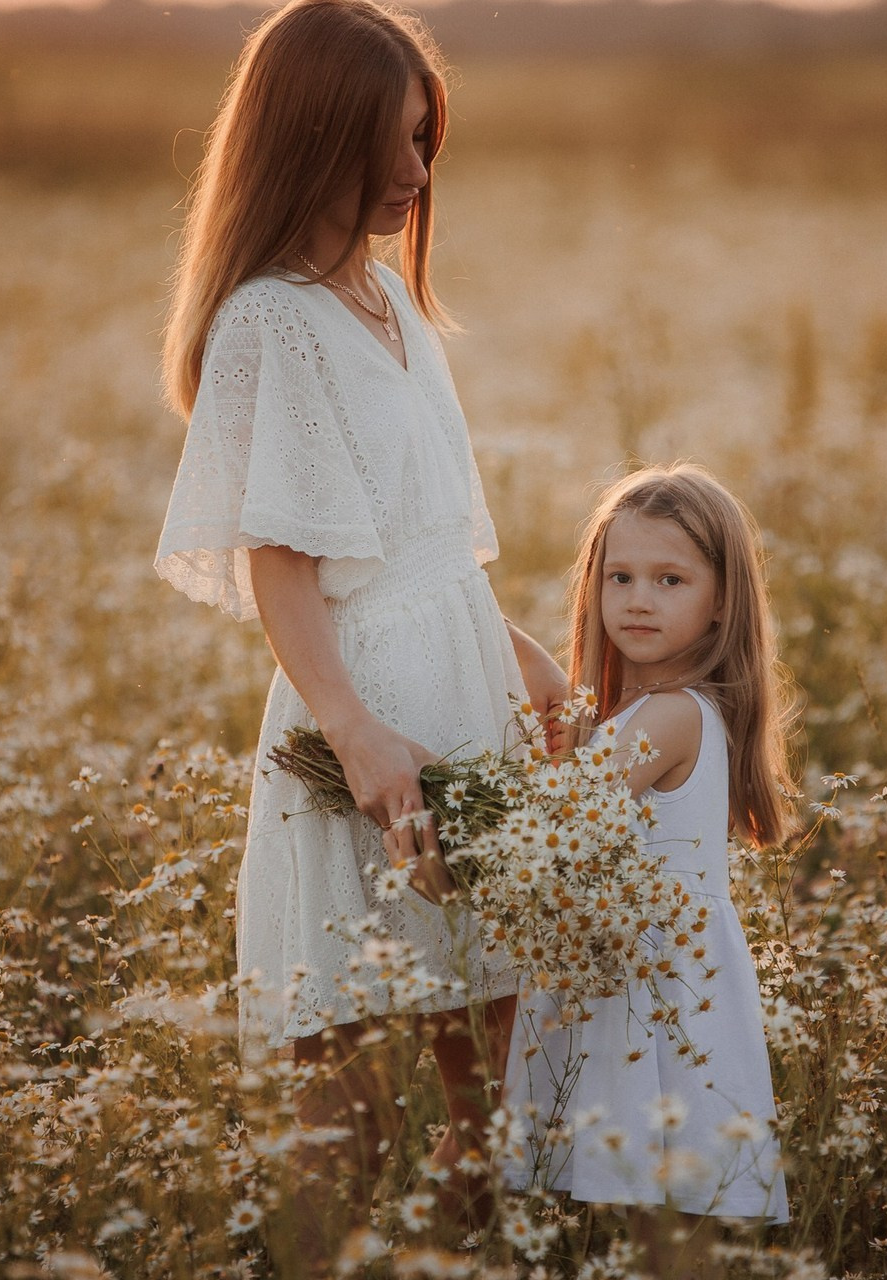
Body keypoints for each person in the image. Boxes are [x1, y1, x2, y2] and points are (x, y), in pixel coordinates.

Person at [153, 0, 565, 1262]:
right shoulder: (271, 318)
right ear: (306, 135)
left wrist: (524, 656)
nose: (415, 172)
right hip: (364, 723)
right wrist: (359, 732)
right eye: (389, 142)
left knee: (490, 1078)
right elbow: (282, 561)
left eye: (426, 141)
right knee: (341, 1088)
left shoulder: (390, 304)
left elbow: (419, 537)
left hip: (462, 689)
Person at [502, 462, 793, 1274]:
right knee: (651, 1229)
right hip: (641, 978)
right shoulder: (645, 714)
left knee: (669, 1236)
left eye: (670, 579)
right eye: (619, 577)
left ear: (722, 600)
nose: (637, 599)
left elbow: (552, 824)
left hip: (660, 1000)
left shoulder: (669, 716)